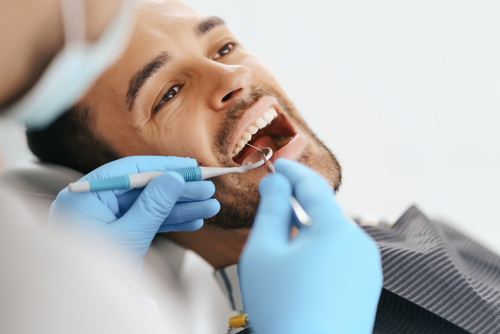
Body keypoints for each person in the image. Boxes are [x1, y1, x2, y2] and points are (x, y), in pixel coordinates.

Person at [25, 0, 500, 333]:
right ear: (139, 178)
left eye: (224, 48)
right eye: (168, 94)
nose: (233, 76)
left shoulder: (435, 235)